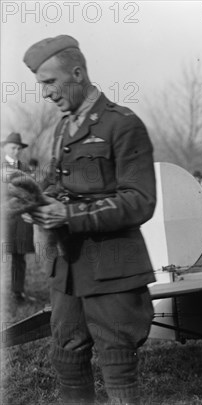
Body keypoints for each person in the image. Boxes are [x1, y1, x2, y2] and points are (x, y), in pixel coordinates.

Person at [22, 35, 157, 404]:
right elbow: (57, 184)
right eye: (41, 85)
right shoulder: (62, 128)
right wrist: (38, 199)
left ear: (78, 73)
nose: (46, 94)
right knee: (67, 356)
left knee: (116, 363)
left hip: (113, 267)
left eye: (50, 82)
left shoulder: (123, 125)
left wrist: (68, 213)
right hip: (68, 269)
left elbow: (140, 201)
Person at [1, 132, 36, 302]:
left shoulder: (25, 168)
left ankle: (17, 292)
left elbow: (32, 192)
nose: (16, 151)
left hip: (21, 219)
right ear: (5, 148)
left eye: (18, 148)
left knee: (19, 257)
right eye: (13, 147)